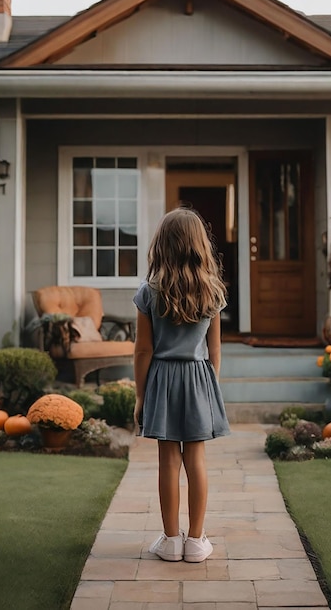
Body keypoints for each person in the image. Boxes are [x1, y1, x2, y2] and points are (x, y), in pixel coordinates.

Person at [133, 207, 231, 563]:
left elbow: (143, 350)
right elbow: (215, 351)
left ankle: (171, 540)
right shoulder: (213, 291)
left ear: (163, 246)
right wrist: (210, 388)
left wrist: (141, 394)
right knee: (197, 461)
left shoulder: (149, 292)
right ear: (199, 246)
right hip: (197, 378)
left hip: (161, 378)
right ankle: (197, 540)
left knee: (168, 461)